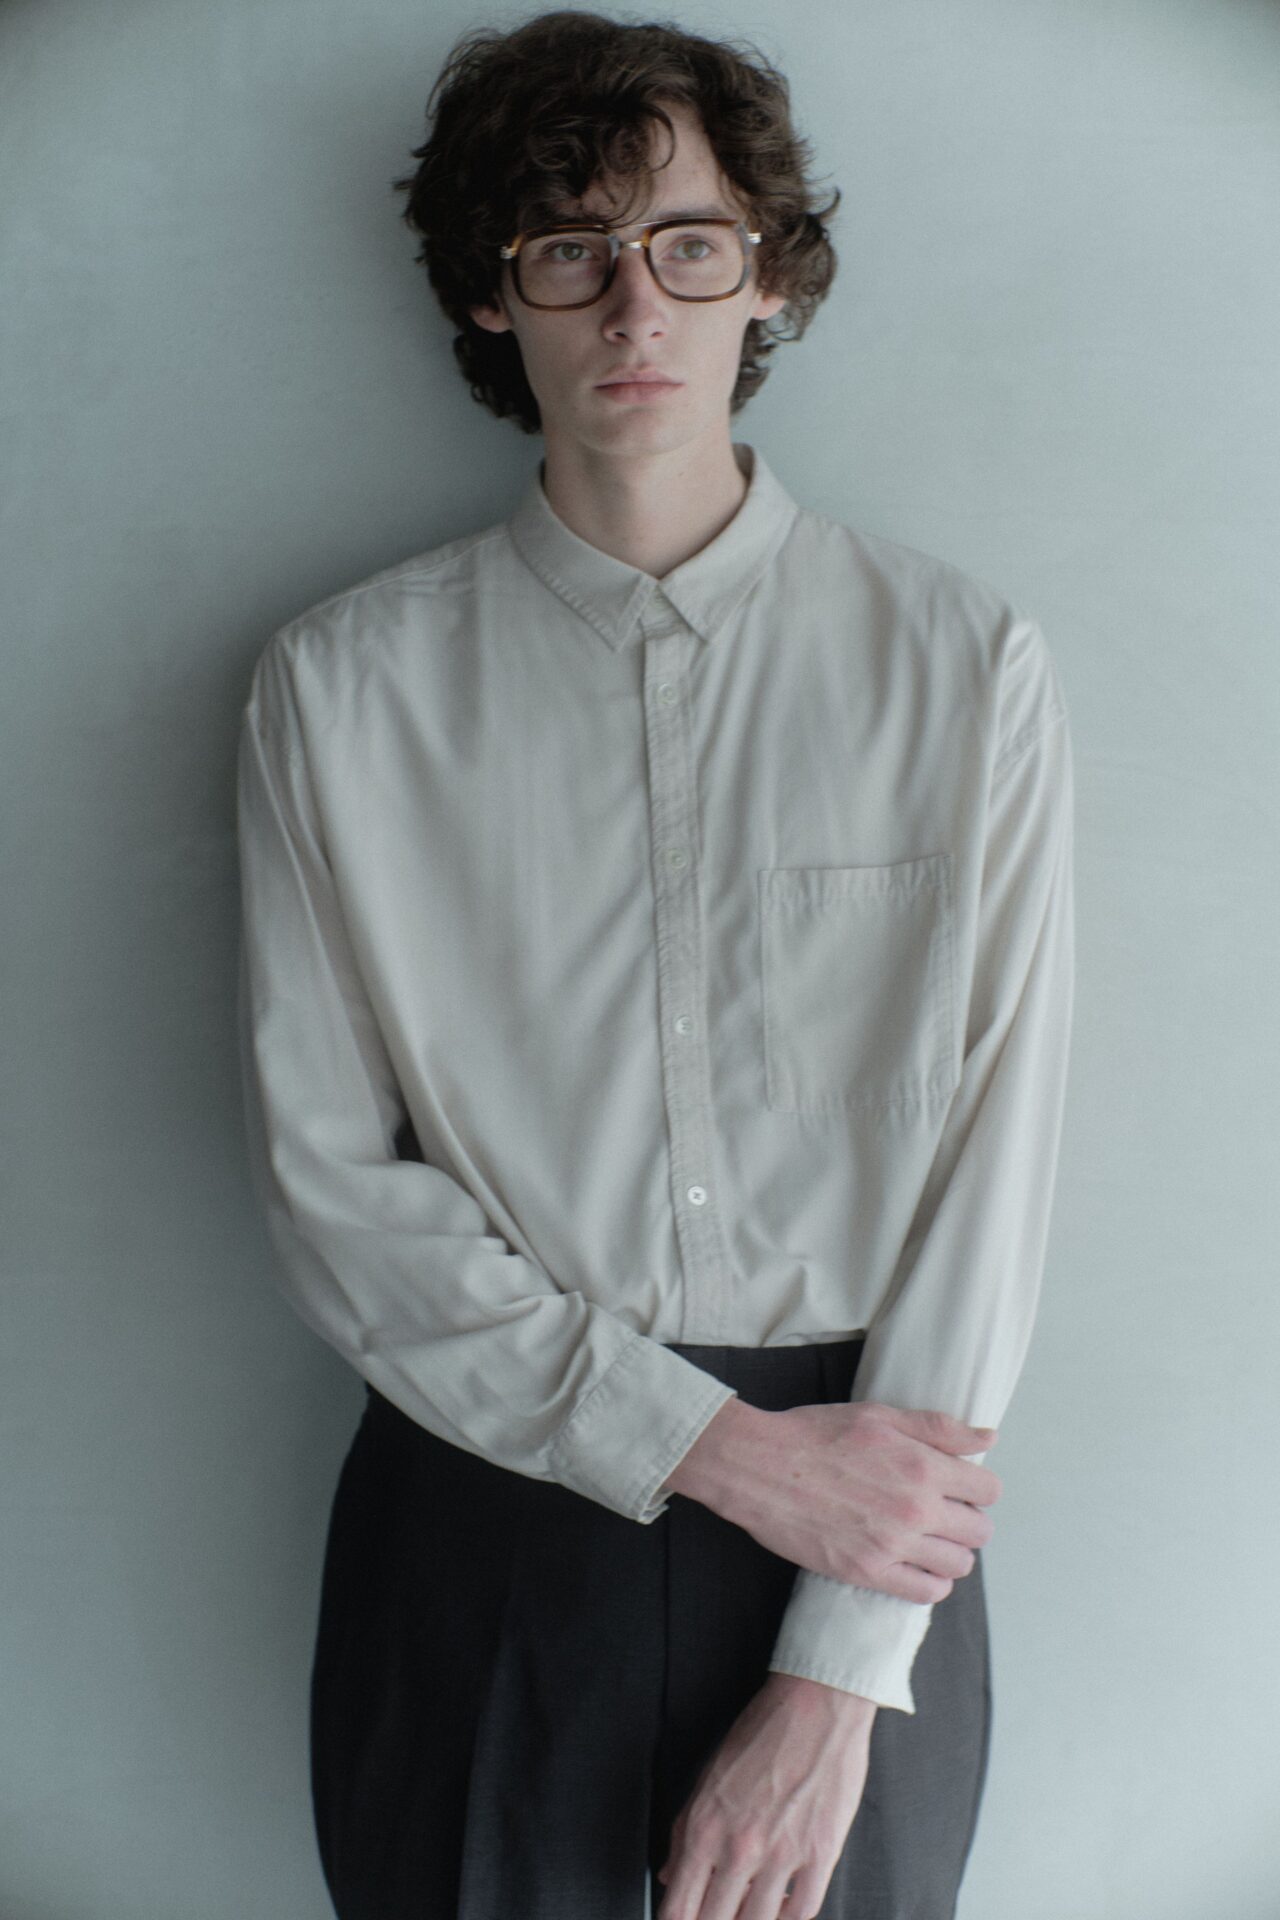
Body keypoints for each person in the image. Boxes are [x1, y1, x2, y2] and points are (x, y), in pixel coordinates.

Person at [234, 10, 1076, 1919]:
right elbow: (327, 1190)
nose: (636, 305)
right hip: (485, 1506)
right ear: (491, 295)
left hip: (863, 1528)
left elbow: (991, 1184)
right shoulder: (340, 693)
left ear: (765, 274)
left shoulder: (963, 668)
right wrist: (708, 1448)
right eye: (571, 248)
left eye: (689, 243)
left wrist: (840, 1668)